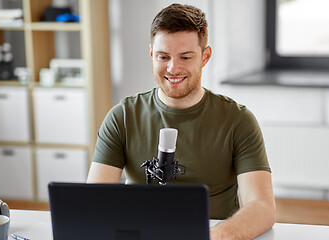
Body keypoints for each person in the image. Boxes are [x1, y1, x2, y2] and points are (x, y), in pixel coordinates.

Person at [87, 3, 276, 240]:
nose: (173, 68)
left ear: (205, 56)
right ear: (151, 54)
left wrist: (216, 235)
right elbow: (94, 201)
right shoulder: (122, 116)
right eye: (163, 56)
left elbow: (262, 207)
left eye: (185, 57)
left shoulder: (238, 120)